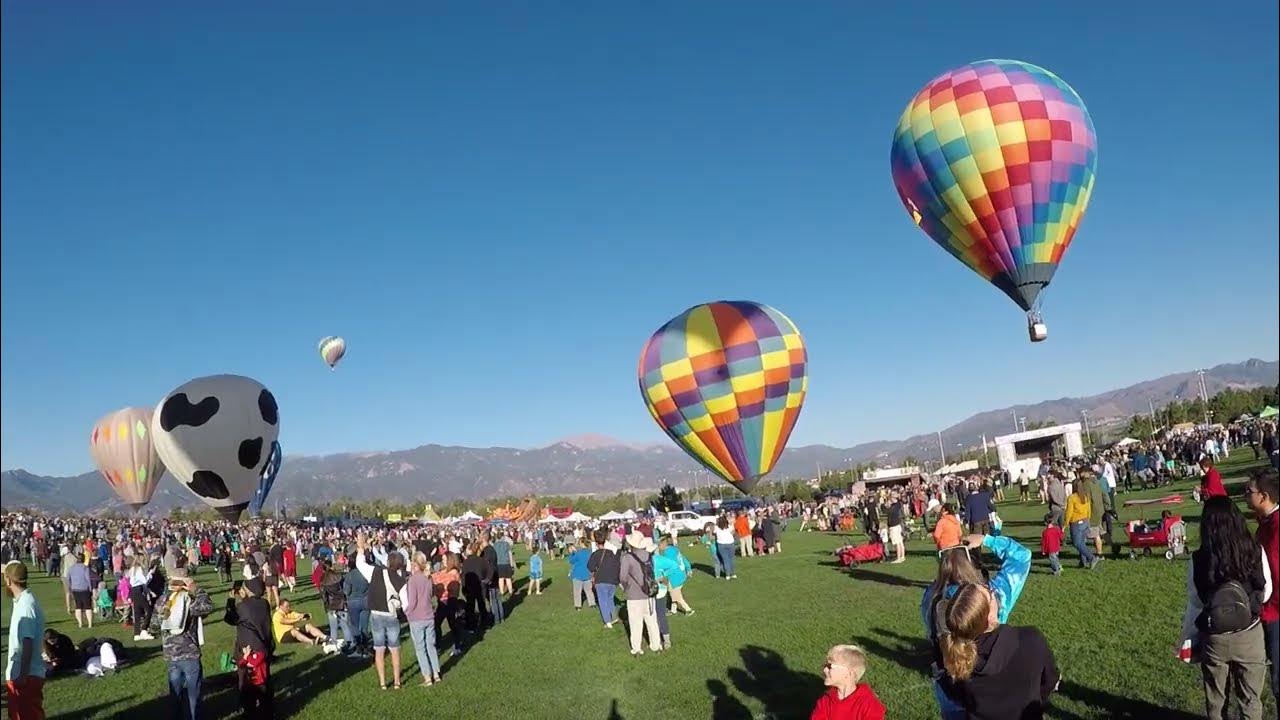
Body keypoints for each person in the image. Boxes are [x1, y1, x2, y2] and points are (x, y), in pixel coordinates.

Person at [1179, 496, 1272, 720]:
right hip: (1249, 634)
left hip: (1214, 636)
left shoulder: (1200, 558)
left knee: (1216, 700)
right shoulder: (1254, 550)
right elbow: (1266, 590)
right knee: (1251, 699)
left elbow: (1196, 599)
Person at [922, 534, 1031, 720]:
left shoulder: (930, 598)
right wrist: (987, 540)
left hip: (949, 687)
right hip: (991, 685)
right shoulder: (992, 596)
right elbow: (1021, 556)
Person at [938, 582, 1060, 718]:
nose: (993, 592)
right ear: (989, 618)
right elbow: (1049, 682)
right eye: (990, 593)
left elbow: (957, 696)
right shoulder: (1031, 639)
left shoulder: (954, 656)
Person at [1243, 470, 1279, 694]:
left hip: (1275, 612)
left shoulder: (1275, 529)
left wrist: (1262, 606)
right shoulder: (1266, 524)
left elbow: (1274, 575)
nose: (1245, 495)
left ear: (1264, 496)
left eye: (1249, 491)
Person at [161, 572, 214, 720]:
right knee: (193, 694)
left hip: (171, 653)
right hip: (189, 652)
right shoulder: (189, 601)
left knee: (175, 693)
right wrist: (196, 588)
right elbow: (207, 606)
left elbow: (153, 625)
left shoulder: (162, 601)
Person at [360, 535, 408, 690]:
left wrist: (361, 547)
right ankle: (397, 682)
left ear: (388, 562)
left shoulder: (375, 572)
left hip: (376, 615)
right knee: (395, 649)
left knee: (379, 649)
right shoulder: (401, 581)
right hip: (392, 616)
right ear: (401, 565)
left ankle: (382, 683)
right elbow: (406, 604)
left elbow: (360, 563)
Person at [224, 578, 274, 720]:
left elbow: (230, 619)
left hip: (248, 650)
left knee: (247, 682)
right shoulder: (264, 604)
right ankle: (267, 711)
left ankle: (250, 711)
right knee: (264, 679)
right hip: (263, 648)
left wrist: (231, 600)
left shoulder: (243, 607)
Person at [5, 561, 46, 720]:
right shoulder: (23, 601)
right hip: (23, 673)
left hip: (26, 675)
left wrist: (22, 675)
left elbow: (27, 642)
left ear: (8, 580)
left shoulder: (25, 605)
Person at [810, 644, 886, 720]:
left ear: (849, 673)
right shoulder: (826, 699)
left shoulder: (869, 704)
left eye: (830, 667)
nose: (825, 670)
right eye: (825, 666)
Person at [619, 531, 662, 656]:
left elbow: (622, 577)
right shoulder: (649, 556)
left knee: (635, 623)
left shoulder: (627, 558)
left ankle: (637, 648)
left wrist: (626, 587)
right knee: (652, 622)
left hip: (634, 595)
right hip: (649, 593)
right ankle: (656, 645)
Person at [404, 552, 441, 687]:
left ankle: (427, 677)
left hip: (417, 617)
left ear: (414, 564)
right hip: (429, 615)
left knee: (420, 648)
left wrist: (406, 613)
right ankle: (436, 673)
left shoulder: (412, 580)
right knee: (431, 645)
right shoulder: (428, 578)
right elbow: (431, 595)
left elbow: (412, 601)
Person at [587, 532, 619, 626]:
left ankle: (607, 621)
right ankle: (614, 616)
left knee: (602, 600)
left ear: (596, 543)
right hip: (612, 579)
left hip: (601, 579)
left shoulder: (595, 554)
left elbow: (590, 567)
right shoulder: (612, 553)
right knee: (610, 599)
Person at [1064, 481, 1098, 570]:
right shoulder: (1085, 497)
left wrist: (1065, 523)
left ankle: (1091, 557)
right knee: (1082, 542)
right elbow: (1089, 509)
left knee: (1077, 543)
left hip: (1076, 522)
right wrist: (1088, 519)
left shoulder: (1072, 498)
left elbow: (1069, 512)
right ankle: (1083, 561)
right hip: (1085, 520)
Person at [67, 554, 93, 629]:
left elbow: (68, 578)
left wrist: (71, 586)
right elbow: (88, 579)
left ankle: (80, 623)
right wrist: (90, 588)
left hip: (75, 589)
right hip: (85, 588)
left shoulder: (71, 568)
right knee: (88, 606)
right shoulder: (85, 568)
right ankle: (90, 624)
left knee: (78, 606)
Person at [567, 543, 595, 611]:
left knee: (577, 591)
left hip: (577, 574)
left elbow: (571, 561)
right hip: (587, 573)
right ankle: (592, 604)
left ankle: (578, 606)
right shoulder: (590, 553)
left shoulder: (578, 553)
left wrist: (572, 553)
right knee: (589, 590)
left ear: (582, 544)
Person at [886, 495, 906, 564]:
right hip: (896, 525)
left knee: (897, 542)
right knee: (900, 542)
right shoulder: (895, 506)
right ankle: (902, 556)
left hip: (894, 526)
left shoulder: (896, 506)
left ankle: (899, 557)